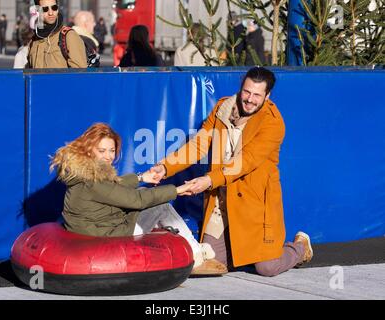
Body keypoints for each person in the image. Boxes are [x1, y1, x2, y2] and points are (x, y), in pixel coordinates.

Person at [149, 67, 314, 276]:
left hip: (254, 205)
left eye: (257, 95)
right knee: (210, 264)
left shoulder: (273, 122)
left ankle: (300, 248)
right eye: (246, 92)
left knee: (266, 268)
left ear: (267, 96)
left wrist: (209, 180)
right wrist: (165, 167)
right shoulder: (223, 109)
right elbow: (198, 145)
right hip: (221, 203)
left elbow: (245, 162)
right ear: (241, 88)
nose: (249, 99)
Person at [50, 123, 227, 275]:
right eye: (102, 150)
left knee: (147, 196)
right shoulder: (92, 182)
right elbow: (137, 200)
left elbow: (114, 186)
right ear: (89, 150)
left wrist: (142, 177)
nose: (108, 156)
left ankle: (193, 249)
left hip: (99, 227)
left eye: (111, 150)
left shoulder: (82, 173)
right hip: (105, 234)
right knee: (160, 207)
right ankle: (196, 258)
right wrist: (178, 190)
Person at [27, 0, 87, 68]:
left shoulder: (69, 36)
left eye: (54, 7)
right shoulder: (34, 41)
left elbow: (79, 75)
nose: (51, 13)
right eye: (45, 9)